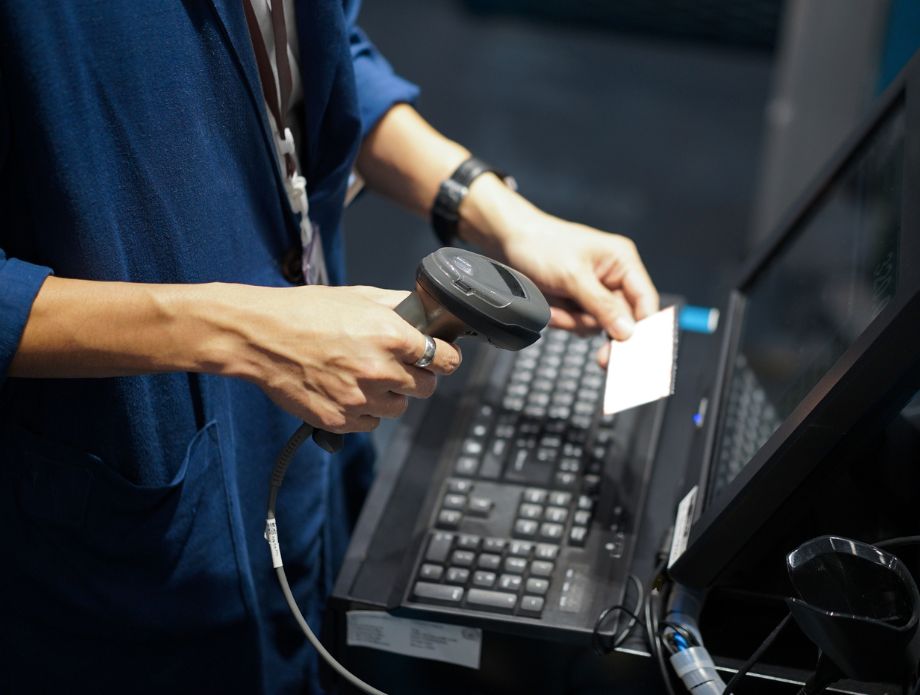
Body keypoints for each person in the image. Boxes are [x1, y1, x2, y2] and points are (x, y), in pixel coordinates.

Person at [0, 1, 658, 692]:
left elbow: (316, 54)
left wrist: (497, 211)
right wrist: (241, 330)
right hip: (124, 540)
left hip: (315, 434)